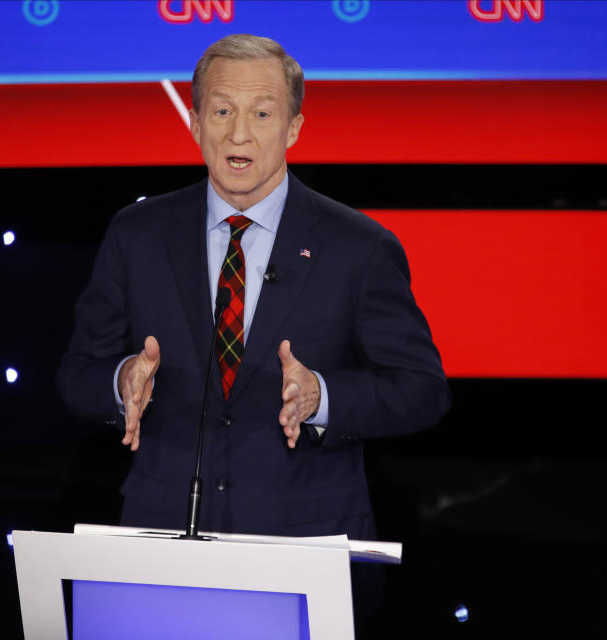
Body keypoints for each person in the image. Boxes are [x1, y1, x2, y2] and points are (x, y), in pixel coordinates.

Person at [56, 34, 450, 542]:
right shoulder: (137, 233)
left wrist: (321, 396)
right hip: (162, 536)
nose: (239, 134)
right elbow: (77, 374)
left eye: (262, 114)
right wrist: (122, 380)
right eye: (221, 112)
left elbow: (422, 390)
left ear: (293, 128)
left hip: (304, 543)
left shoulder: (360, 246)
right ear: (196, 124)